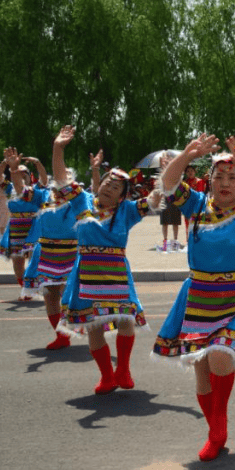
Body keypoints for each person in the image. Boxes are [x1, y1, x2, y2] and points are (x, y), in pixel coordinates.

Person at [152, 134, 235, 462]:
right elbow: (168, 184)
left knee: (221, 357)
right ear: (209, 182)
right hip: (198, 295)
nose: (225, 182)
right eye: (218, 176)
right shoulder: (196, 205)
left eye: (232, 177)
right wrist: (186, 154)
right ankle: (214, 428)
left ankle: (218, 426)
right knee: (200, 368)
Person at [50, 130, 159, 394]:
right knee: (94, 326)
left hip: (117, 275)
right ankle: (107, 376)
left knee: (126, 321)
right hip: (86, 274)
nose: (109, 187)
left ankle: (123, 368)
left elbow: (155, 200)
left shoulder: (127, 211)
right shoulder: (81, 202)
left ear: (123, 196)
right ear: (98, 184)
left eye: (116, 187)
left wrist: (166, 179)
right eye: (107, 183)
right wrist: (58, 149)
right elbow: (62, 178)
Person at [20, 130, 88, 350]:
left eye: (66, 176)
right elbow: (21, 190)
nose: (61, 180)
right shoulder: (44, 197)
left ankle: (86, 325)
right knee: (50, 295)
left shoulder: (79, 199)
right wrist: (14, 170)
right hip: (47, 252)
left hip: (72, 253)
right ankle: (62, 336)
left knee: (69, 294)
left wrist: (58, 149)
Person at [0, 148, 47, 296]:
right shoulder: (10, 188)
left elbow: (44, 179)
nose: (20, 174)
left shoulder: (36, 189)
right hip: (16, 227)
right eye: (17, 172)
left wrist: (37, 163)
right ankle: (24, 287)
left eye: (23, 173)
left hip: (34, 227)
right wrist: (5, 163)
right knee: (17, 261)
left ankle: (32, 288)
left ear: (29, 176)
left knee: (33, 257)